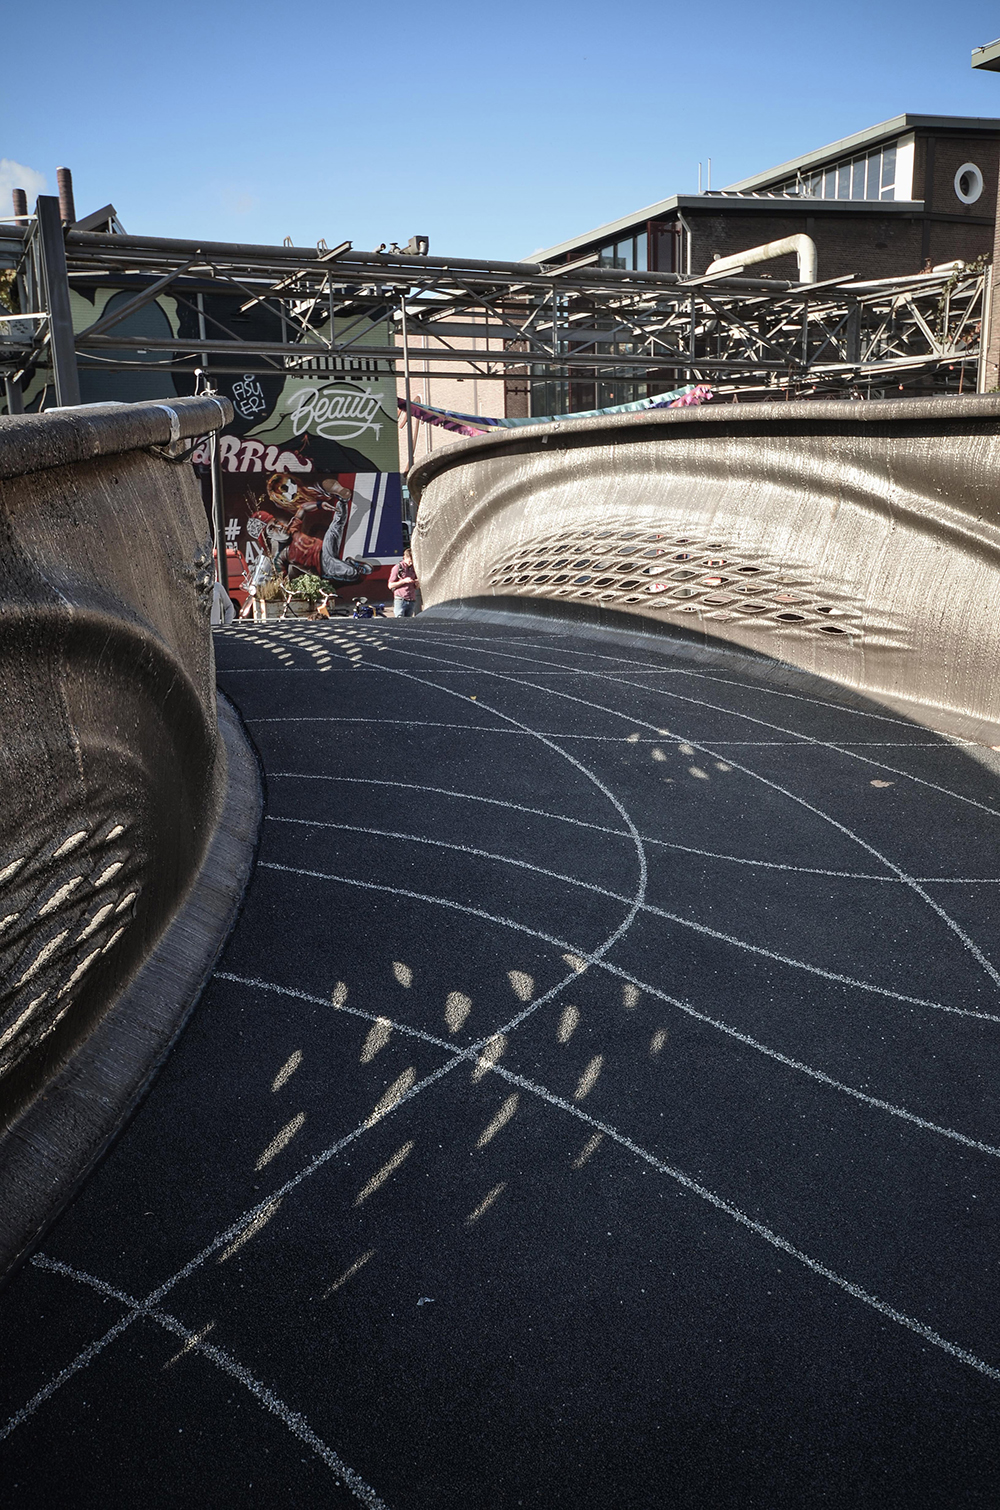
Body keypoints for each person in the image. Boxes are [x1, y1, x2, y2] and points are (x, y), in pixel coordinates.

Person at [388, 547, 418, 618]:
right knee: (400, 619)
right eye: (410, 561)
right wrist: (403, 581)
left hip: (411, 599)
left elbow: (416, 587)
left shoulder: (413, 568)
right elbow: (390, 585)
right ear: (405, 557)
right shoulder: (398, 568)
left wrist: (417, 583)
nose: (411, 563)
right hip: (401, 599)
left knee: (408, 621)